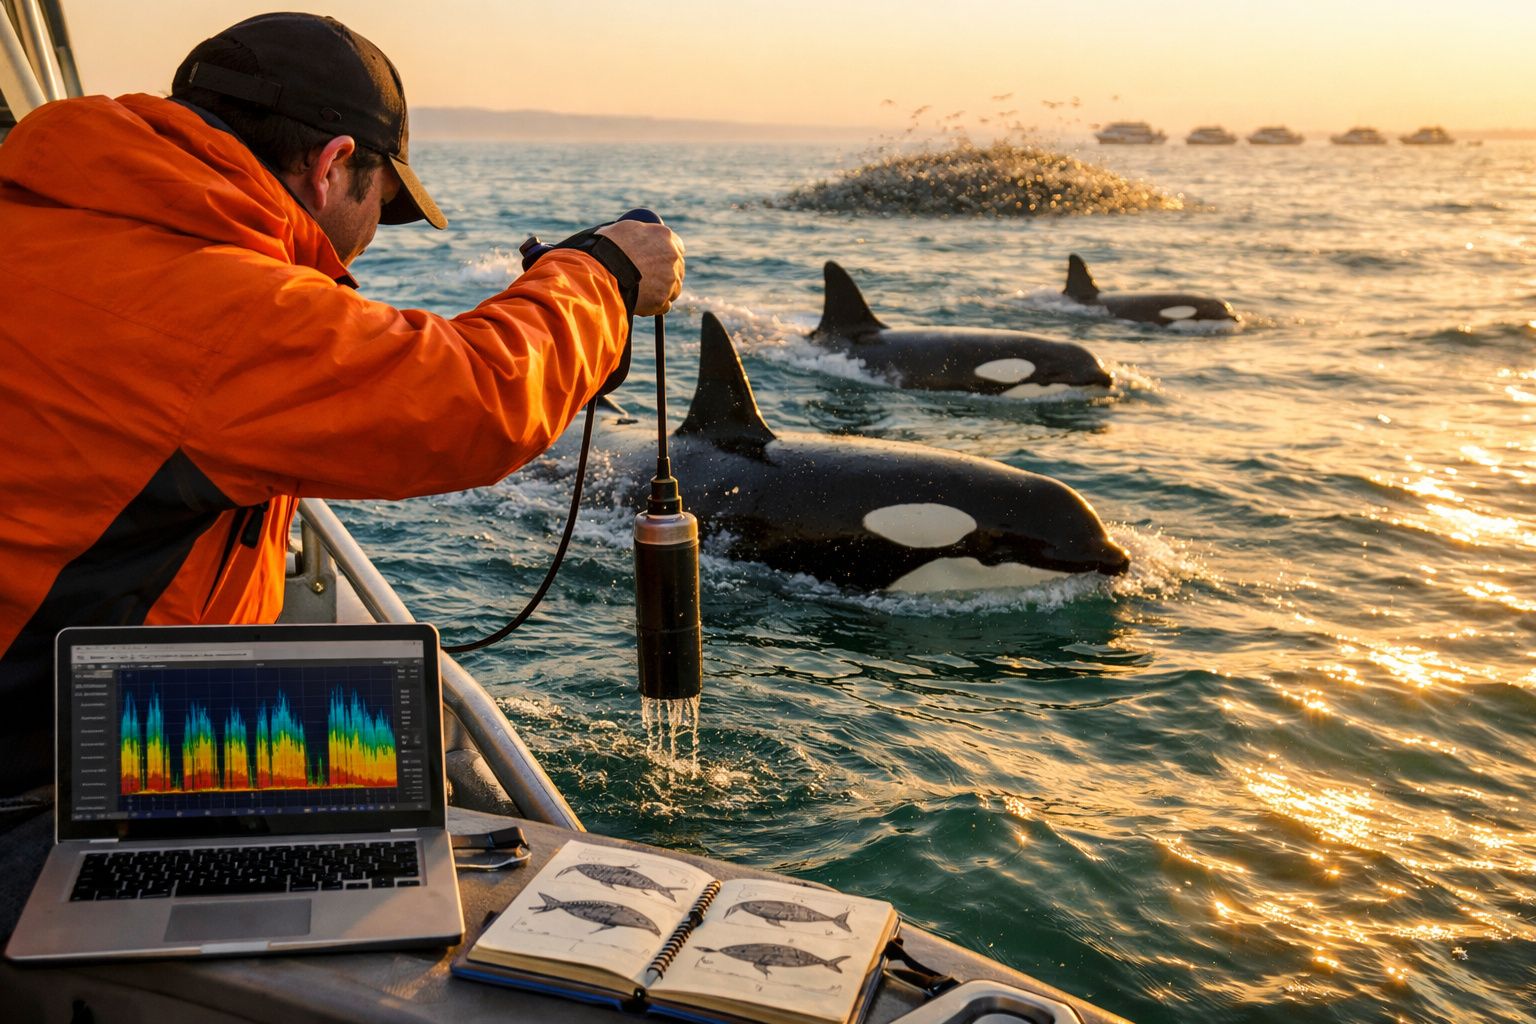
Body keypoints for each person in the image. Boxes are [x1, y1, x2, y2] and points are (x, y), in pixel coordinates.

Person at [0, 12, 684, 931]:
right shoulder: (212, 306)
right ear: (330, 166)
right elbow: (473, 399)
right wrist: (597, 275)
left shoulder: (54, 218)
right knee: (415, 918)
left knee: (392, 749)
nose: (368, 238)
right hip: (35, 785)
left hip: (103, 707)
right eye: (380, 204)